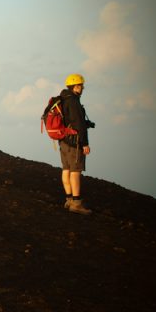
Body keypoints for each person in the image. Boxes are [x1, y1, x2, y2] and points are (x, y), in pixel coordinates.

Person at [59, 74, 95, 215]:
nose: (82, 88)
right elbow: (78, 124)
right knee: (75, 171)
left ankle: (69, 199)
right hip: (75, 142)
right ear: (75, 87)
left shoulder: (63, 98)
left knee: (66, 169)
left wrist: (86, 123)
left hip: (63, 140)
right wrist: (85, 143)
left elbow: (70, 119)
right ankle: (76, 203)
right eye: (80, 85)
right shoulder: (74, 101)